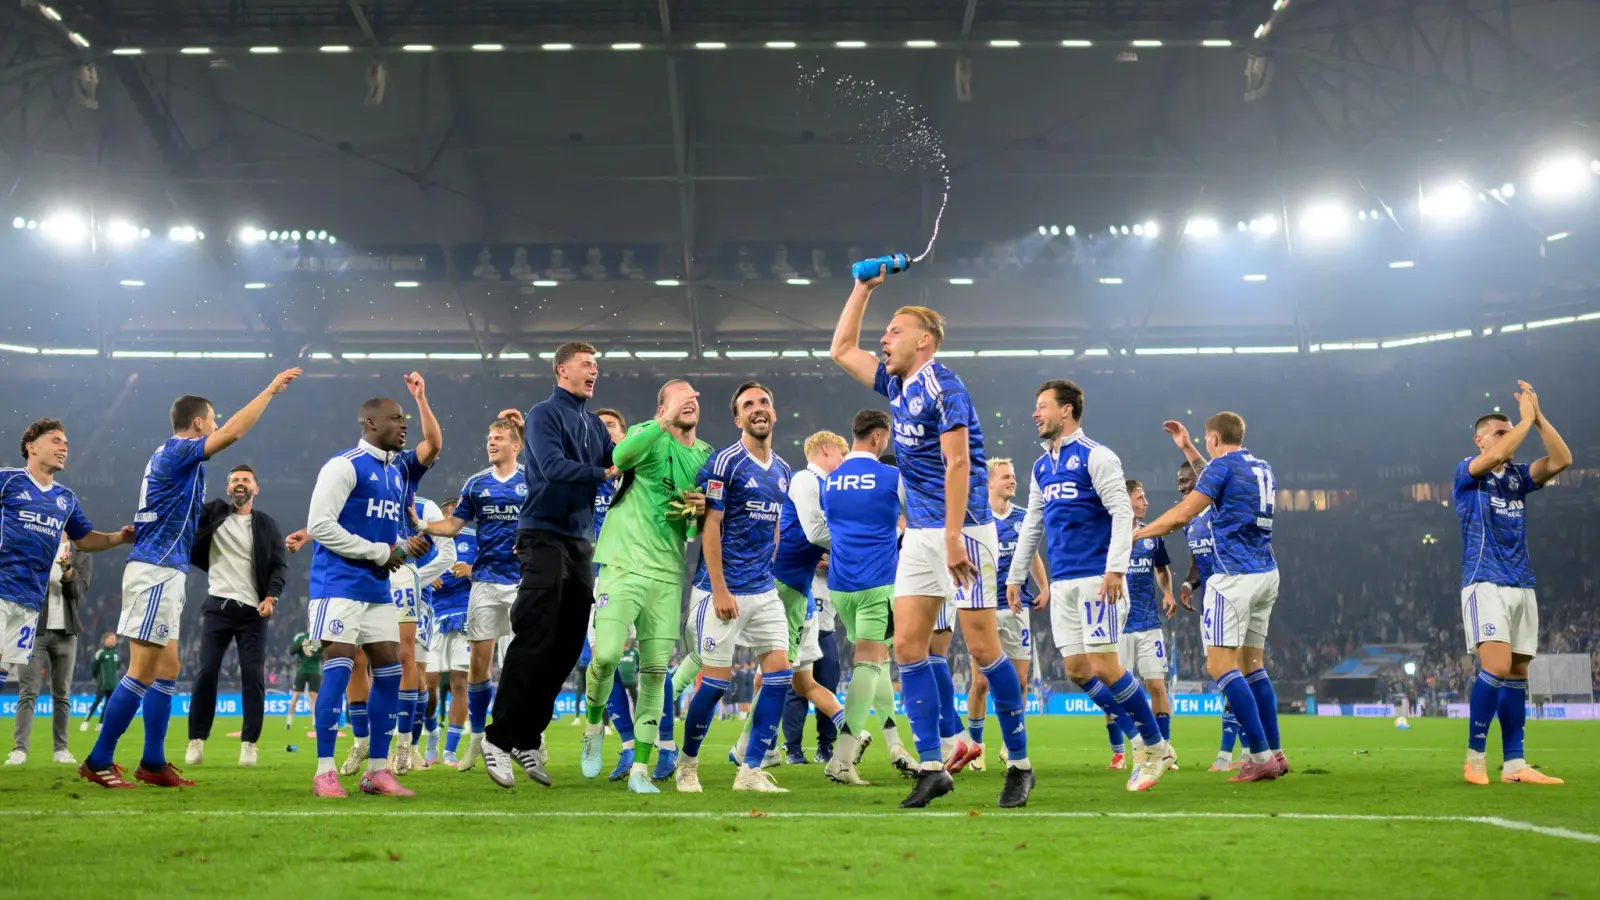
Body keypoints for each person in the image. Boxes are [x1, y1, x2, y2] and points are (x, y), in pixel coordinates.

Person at [828, 263, 1032, 809]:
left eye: (894, 331)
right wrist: (862, 289)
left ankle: (1019, 764)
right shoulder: (896, 383)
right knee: (909, 647)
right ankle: (933, 766)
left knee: (986, 649)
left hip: (962, 531)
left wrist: (950, 536)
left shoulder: (947, 387)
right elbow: (841, 349)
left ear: (926, 341)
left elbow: (959, 462)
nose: (883, 339)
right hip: (921, 535)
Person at [81, 371, 299, 789]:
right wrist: (269, 390)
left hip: (166, 569)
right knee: (143, 670)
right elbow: (233, 433)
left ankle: (153, 761)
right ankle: (99, 758)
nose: (216, 426)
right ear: (198, 422)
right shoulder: (181, 449)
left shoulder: (174, 458)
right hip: (156, 570)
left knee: (170, 666)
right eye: (212, 419)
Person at [1009, 380, 1172, 792]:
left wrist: (1115, 569)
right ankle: (1139, 738)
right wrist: (1016, 575)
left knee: (1105, 666)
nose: (1034, 413)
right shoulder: (1041, 466)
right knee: (1077, 670)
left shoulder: (1097, 456)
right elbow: (1032, 524)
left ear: (1066, 411)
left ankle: (1154, 747)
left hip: (1097, 580)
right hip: (1063, 582)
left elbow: (1121, 513)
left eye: (1042, 405)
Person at [479, 341, 615, 788]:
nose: (593, 371)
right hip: (541, 534)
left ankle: (527, 735)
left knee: (569, 646)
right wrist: (604, 473)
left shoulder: (594, 424)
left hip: (579, 542)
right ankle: (497, 739)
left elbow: (617, 466)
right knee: (536, 633)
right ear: (562, 371)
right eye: (585, 365)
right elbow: (555, 467)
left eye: (596, 366)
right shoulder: (543, 414)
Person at [303, 379, 438, 798]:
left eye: (405, 418)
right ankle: (324, 769)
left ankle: (377, 769)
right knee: (341, 669)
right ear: (370, 422)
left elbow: (434, 444)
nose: (404, 425)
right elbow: (320, 527)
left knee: (390, 670)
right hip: (337, 584)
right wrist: (382, 551)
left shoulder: (397, 471)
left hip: (378, 586)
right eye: (396, 418)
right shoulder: (343, 465)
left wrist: (401, 546)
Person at [1134, 412, 1285, 783]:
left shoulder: (1220, 468)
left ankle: (1259, 755)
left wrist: (1136, 536)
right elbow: (1217, 474)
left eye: (1204, 440)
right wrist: (1186, 446)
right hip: (1266, 572)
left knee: (1221, 666)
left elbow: (1181, 516)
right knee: (1253, 665)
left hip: (1232, 577)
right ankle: (1276, 753)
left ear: (1214, 439)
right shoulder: (1261, 466)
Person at [582, 381, 710, 793]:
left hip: (668, 574)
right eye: (681, 395)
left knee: (655, 674)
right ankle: (593, 725)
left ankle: (640, 767)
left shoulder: (705, 456)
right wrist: (663, 421)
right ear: (662, 406)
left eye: (694, 396)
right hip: (622, 565)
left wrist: (698, 512)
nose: (691, 400)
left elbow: (696, 525)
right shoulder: (644, 434)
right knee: (604, 657)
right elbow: (619, 457)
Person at [674, 382, 794, 795]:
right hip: (719, 590)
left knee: (780, 675)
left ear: (774, 414)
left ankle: (751, 770)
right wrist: (722, 590)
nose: (758, 409)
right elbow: (710, 527)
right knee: (715, 684)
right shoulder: (724, 463)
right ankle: (687, 765)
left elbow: (774, 529)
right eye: (748, 405)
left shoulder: (783, 470)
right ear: (738, 418)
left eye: (765, 402)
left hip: (764, 591)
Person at [1451, 381, 1571, 785]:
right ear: (1479, 439)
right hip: (1484, 581)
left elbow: (1562, 458)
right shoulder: (1467, 472)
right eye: (1498, 433)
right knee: (1497, 666)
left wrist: (1538, 420)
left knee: (1518, 672)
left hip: (1522, 582)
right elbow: (1500, 452)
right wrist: (1522, 420)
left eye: (1509, 431)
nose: (1507, 439)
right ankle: (1475, 758)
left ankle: (1515, 765)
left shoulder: (1518, 477)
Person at [416, 417, 524, 773]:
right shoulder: (476, 484)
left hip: (524, 583)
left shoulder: (532, 481)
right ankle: (477, 740)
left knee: (523, 664)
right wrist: (420, 524)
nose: (491, 443)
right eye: (489, 438)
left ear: (515, 444)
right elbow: (452, 525)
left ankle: (528, 738)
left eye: (498, 438)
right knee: (479, 664)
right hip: (485, 583)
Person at [739, 430, 849, 770]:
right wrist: (857, 546)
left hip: (796, 588)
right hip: (783, 584)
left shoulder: (823, 488)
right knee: (778, 674)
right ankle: (756, 747)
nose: (843, 466)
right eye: (842, 458)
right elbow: (816, 533)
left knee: (785, 675)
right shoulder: (805, 480)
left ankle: (755, 746)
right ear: (827, 451)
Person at [817, 410, 903, 785]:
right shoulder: (891, 476)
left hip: (840, 586)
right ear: (880, 437)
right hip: (877, 583)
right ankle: (842, 758)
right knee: (869, 664)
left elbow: (829, 527)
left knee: (878, 661)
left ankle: (896, 744)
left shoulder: (831, 481)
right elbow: (917, 517)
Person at [184, 463, 289, 768]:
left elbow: (279, 566)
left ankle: (249, 744)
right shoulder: (213, 514)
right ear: (228, 488)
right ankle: (196, 740)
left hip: (253, 611)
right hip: (218, 606)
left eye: (246, 480)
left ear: (256, 488)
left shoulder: (267, 525)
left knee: (253, 676)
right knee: (206, 673)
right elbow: (190, 513)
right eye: (234, 480)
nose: (240, 484)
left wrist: (271, 596)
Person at [963, 458, 1046, 773]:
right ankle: (976, 746)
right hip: (983, 608)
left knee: (1021, 681)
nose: (1012, 481)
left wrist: (1044, 586)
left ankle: (1010, 744)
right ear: (991, 483)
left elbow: (1032, 555)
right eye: (1006, 477)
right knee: (980, 682)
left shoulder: (1024, 517)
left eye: (1014, 476)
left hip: (1017, 609)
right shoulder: (976, 517)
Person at [9, 529, 93, 766]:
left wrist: (67, 569)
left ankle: (61, 749)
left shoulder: (82, 553)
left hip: (66, 632)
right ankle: (19, 749)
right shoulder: (34, 546)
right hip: (34, 630)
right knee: (28, 692)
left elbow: (78, 592)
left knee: (62, 694)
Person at [1115, 480, 1176, 770]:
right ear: (1126, 500)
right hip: (1117, 628)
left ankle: (1162, 750)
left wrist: (1167, 591)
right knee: (1118, 691)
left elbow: (1162, 569)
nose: (1146, 502)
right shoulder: (1109, 535)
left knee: (1157, 686)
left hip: (1149, 624)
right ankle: (1120, 751)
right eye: (1140, 497)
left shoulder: (1152, 536)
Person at [426, 522, 475, 767]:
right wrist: (427, 576)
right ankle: (432, 735)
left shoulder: (476, 538)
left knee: (459, 683)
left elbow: (494, 569)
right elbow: (407, 566)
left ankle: (450, 751)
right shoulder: (427, 538)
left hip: (463, 617)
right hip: (432, 617)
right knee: (427, 686)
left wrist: (472, 569)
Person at [285, 629, 322, 733]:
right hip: (301, 671)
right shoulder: (301, 637)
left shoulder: (316, 639)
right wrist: (301, 645)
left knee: (314, 698)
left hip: (314, 671)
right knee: (296, 696)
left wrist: (311, 654)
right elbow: (292, 651)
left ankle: (315, 724)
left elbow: (321, 655)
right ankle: (288, 722)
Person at [84, 633, 120, 732]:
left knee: (108, 706)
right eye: (112, 639)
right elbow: (94, 668)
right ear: (106, 640)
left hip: (112, 684)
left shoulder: (116, 653)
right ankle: (86, 721)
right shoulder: (101, 653)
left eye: (115, 639)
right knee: (96, 703)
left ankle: (100, 724)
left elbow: (117, 668)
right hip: (102, 684)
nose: (114, 641)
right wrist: (97, 679)